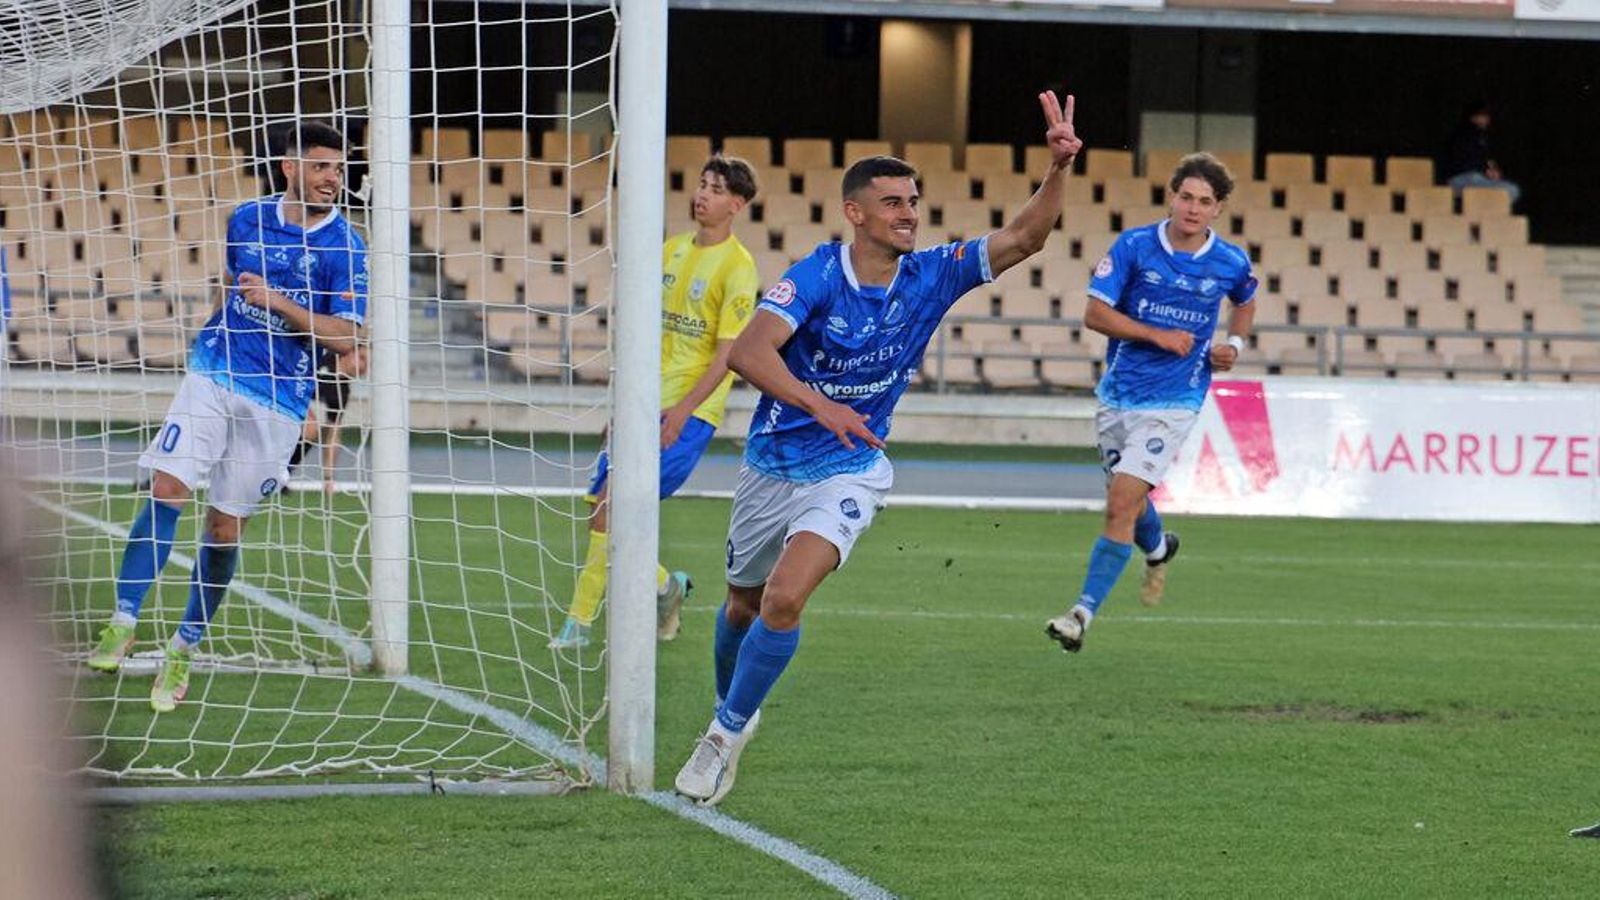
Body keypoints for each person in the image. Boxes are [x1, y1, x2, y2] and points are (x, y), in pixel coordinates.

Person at [672, 91, 1083, 806]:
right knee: (739, 605)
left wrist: (1057, 168)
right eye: (893, 202)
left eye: (914, 201)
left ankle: (722, 734)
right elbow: (750, 354)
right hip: (772, 463)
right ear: (855, 213)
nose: (909, 214)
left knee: (784, 597)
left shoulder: (932, 273)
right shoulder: (818, 276)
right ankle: (733, 705)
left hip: (852, 467)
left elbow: (1025, 238)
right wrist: (819, 403)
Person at [85, 121, 368, 712]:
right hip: (215, 371)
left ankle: (183, 647)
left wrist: (288, 307)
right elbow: (233, 289)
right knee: (167, 487)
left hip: (280, 398)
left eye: (339, 169)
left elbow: (347, 334)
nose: (333, 179)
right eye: (321, 167)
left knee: (223, 528)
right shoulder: (245, 218)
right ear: (290, 167)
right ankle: (123, 618)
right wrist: (217, 323)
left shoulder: (348, 246)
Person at [1044, 152, 1256, 654]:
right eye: (1186, 197)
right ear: (1172, 196)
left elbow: (1245, 300)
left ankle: (1081, 613)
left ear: (1218, 209)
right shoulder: (1135, 246)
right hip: (1119, 396)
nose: (1193, 208)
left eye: (1205, 202)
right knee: (1130, 502)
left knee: (1119, 501)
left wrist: (1236, 346)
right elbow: (1095, 314)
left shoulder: (1229, 261)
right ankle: (1159, 549)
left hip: (1177, 400)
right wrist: (1156, 335)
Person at [548, 155, 761, 650]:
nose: (702, 194)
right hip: (642, 404)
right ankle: (666, 586)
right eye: (700, 183)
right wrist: (622, 406)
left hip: (686, 414)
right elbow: (640, 335)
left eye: (715, 188)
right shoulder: (669, 251)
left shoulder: (738, 269)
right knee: (604, 514)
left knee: (614, 509)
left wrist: (682, 411)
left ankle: (578, 624)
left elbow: (728, 356)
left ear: (737, 204)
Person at [284, 344, 368, 496]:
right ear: (348, 352)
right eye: (362, 359)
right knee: (310, 425)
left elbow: (333, 434)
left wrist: (328, 477)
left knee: (311, 428)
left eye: (368, 364)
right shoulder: (322, 358)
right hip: (280, 392)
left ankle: (283, 473)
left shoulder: (341, 392)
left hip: (291, 411)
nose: (364, 367)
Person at [1443, 100, 1520, 207]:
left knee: (1510, 190)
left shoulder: (1482, 138)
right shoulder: (1461, 135)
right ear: (1473, 117)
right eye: (1483, 116)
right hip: (1460, 179)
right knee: (1510, 190)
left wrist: (1493, 171)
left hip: (1477, 179)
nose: (1487, 120)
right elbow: (1463, 162)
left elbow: (1488, 161)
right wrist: (1485, 171)